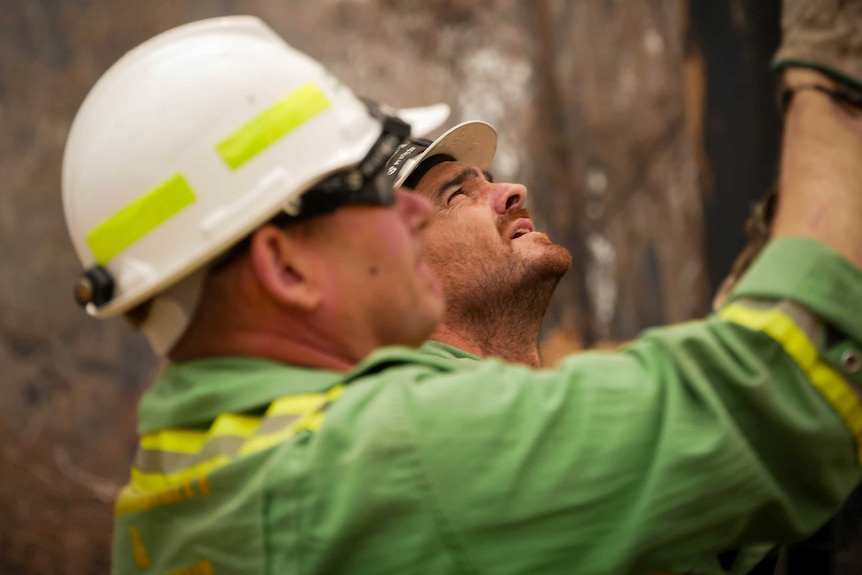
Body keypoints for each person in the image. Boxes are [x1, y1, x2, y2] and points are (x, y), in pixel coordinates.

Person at [61, 10, 862, 575]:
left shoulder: (186, 483)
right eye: (379, 191)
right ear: (285, 267)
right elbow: (777, 401)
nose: (407, 214)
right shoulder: (383, 460)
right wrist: (835, 81)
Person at [385, 122, 572, 367]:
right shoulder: (431, 396)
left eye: (488, 181)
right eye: (458, 194)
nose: (516, 190)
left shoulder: (514, 397)